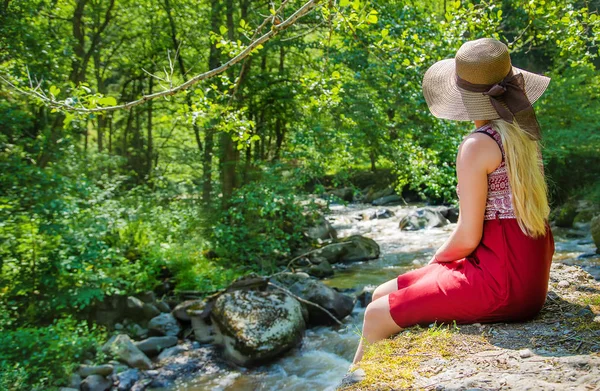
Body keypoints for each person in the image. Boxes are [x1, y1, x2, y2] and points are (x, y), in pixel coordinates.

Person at [348, 37, 556, 373]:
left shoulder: (477, 145)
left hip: (501, 280)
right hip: (525, 271)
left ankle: (354, 381)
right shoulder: (522, 132)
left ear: (466, 97)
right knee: (381, 292)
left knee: (375, 313)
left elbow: (467, 237)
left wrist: (434, 263)